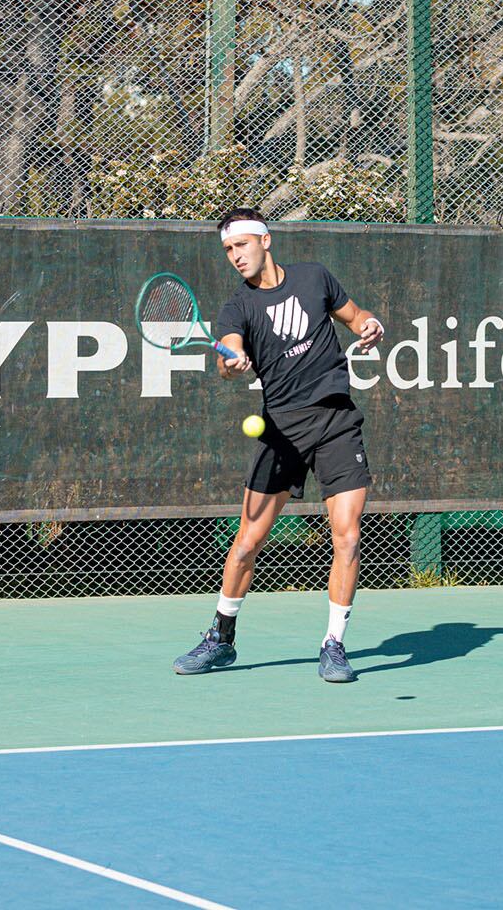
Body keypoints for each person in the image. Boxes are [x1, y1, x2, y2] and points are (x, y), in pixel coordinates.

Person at [172, 208, 385, 682]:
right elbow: (227, 355)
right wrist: (232, 361)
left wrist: (371, 326)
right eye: (227, 251)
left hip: (335, 421)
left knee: (347, 536)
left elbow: (356, 316)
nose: (235, 257)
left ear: (264, 240)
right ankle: (221, 638)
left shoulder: (315, 278)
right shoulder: (237, 307)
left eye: (241, 246)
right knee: (248, 541)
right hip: (281, 430)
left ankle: (333, 645)